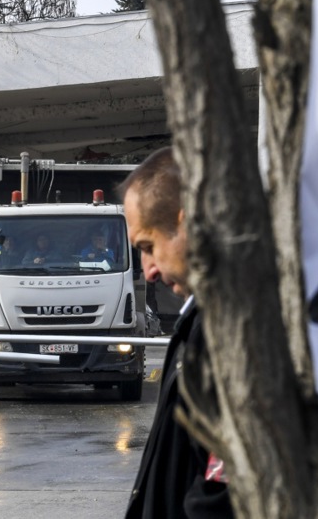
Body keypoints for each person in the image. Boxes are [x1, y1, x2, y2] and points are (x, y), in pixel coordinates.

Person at [119, 147, 232, 518]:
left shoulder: (227, 328)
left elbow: (221, 491)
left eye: (148, 247)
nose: (148, 270)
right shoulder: (202, 318)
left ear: (186, 224)